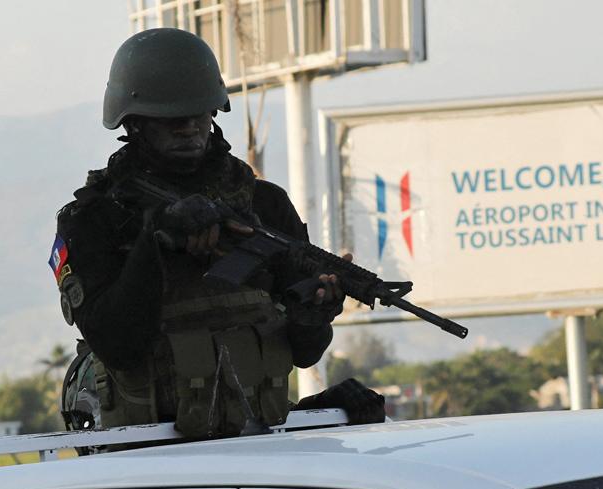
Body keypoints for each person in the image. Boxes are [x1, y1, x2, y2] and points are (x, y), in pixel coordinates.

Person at [53, 28, 383, 438]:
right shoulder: (94, 219)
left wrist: (314, 313)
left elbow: (304, 351)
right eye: (172, 118)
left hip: (251, 447)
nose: (190, 127)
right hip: (143, 452)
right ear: (133, 123)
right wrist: (155, 241)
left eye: (201, 113)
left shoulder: (263, 205)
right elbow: (118, 345)